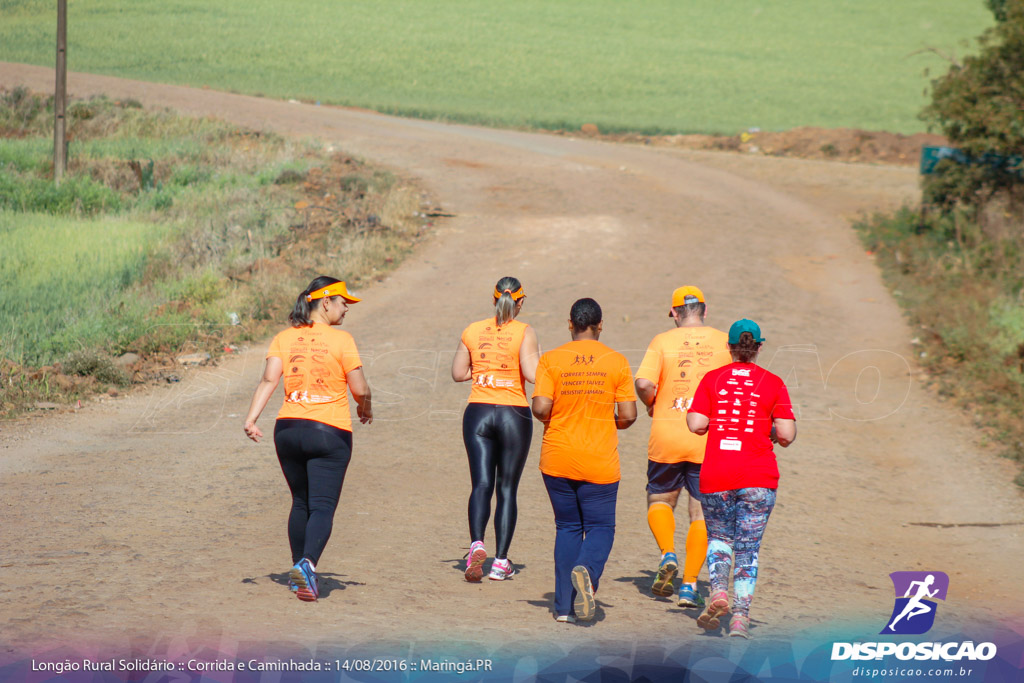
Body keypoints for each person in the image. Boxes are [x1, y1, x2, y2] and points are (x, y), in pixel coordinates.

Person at [243, 276, 372, 602]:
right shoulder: (342, 339)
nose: (346, 310)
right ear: (325, 302)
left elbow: (269, 379)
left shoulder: (284, 337)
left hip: (287, 430)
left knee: (301, 502)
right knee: (322, 506)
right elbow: (360, 388)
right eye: (343, 303)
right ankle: (308, 565)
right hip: (329, 432)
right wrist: (365, 407)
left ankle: (298, 569)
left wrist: (251, 418)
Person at [686, 319, 795, 638]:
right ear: (758, 346)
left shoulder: (712, 379)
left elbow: (695, 424)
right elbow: (787, 434)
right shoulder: (773, 383)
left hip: (717, 473)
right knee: (748, 548)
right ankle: (740, 618)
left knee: (719, 538)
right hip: (759, 477)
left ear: (729, 347)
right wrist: (772, 431)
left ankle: (718, 591)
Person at [531, 298, 637, 623]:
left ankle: (563, 608)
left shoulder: (550, 360)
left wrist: (557, 414)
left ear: (570, 324)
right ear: (600, 325)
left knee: (567, 528)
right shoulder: (616, 362)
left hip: (558, 457)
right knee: (601, 526)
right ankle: (588, 571)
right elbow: (629, 414)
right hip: (599, 461)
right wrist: (610, 423)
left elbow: (539, 408)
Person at [634, 286, 731, 608]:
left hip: (667, 434)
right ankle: (689, 586)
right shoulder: (722, 341)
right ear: (705, 310)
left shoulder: (662, 341)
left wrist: (654, 404)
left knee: (660, 497)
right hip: (708, 439)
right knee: (701, 512)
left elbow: (644, 383)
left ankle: (668, 553)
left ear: (674, 312)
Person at [451, 277, 541, 582]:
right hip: (513, 414)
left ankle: (477, 544)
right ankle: (500, 562)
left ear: (493, 300)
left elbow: (457, 373)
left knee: (481, 484)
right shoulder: (524, 331)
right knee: (506, 489)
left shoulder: (472, 330)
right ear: (520, 302)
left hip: (477, 412)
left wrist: (486, 370)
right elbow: (531, 374)